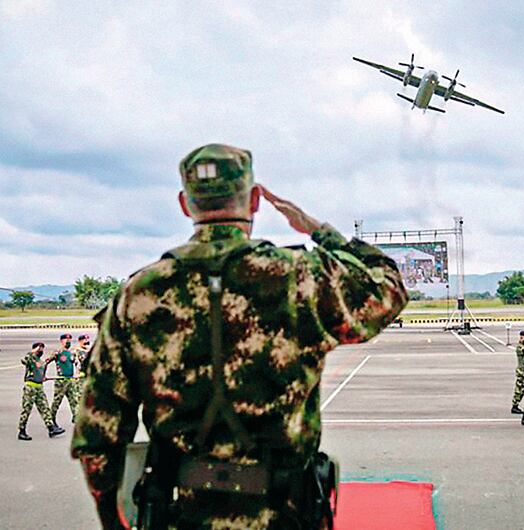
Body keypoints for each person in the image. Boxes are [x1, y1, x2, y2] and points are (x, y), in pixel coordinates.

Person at [71, 143, 407, 529]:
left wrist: (111, 520)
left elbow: (100, 429)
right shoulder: (300, 277)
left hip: (178, 513)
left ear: (185, 204)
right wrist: (319, 231)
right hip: (283, 513)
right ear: (253, 200)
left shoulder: (140, 294)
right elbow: (389, 288)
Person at [19, 342, 63, 441]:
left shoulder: (41, 362)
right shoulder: (31, 359)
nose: (41, 351)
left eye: (42, 349)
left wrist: (44, 377)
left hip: (39, 387)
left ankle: (51, 428)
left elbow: (42, 373)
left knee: (45, 408)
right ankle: (22, 431)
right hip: (30, 387)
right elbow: (24, 360)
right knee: (26, 409)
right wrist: (32, 352)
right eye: (39, 349)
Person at [47, 333, 79, 428]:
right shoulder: (58, 352)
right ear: (61, 341)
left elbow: (77, 363)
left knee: (74, 400)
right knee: (57, 402)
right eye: (66, 339)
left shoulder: (72, 353)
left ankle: (76, 419)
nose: (68, 341)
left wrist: (77, 373)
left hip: (70, 379)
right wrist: (42, 375)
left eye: (69, 339)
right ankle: (51, 419)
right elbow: (46, 362)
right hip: (61, 380)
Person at [511, 330, 524, 414]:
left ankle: (515, 406)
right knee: (519, 390)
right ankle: (515, 406)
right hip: (522, 372)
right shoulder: (520, 347)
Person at [73, 334, 91, 402]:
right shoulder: (77, 351)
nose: (86, 342)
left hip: (88, 376)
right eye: (84, 340)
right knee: (80, 397)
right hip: (80, 376)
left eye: (87, 340)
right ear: (80, 341)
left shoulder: (88, 351)